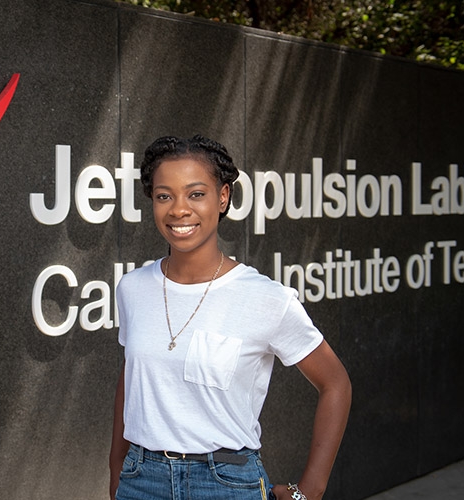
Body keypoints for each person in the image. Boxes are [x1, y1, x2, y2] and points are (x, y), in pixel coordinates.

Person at [109, 135, 351, 500]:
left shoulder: (266, 297)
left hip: (226, 482)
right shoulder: (132, 288)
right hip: (142, 479)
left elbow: (336, 385)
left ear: (222, 197)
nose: (178, 209)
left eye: (196, 194)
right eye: (164, 195)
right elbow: (132, 380)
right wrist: (117, 469)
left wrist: (311, 490)